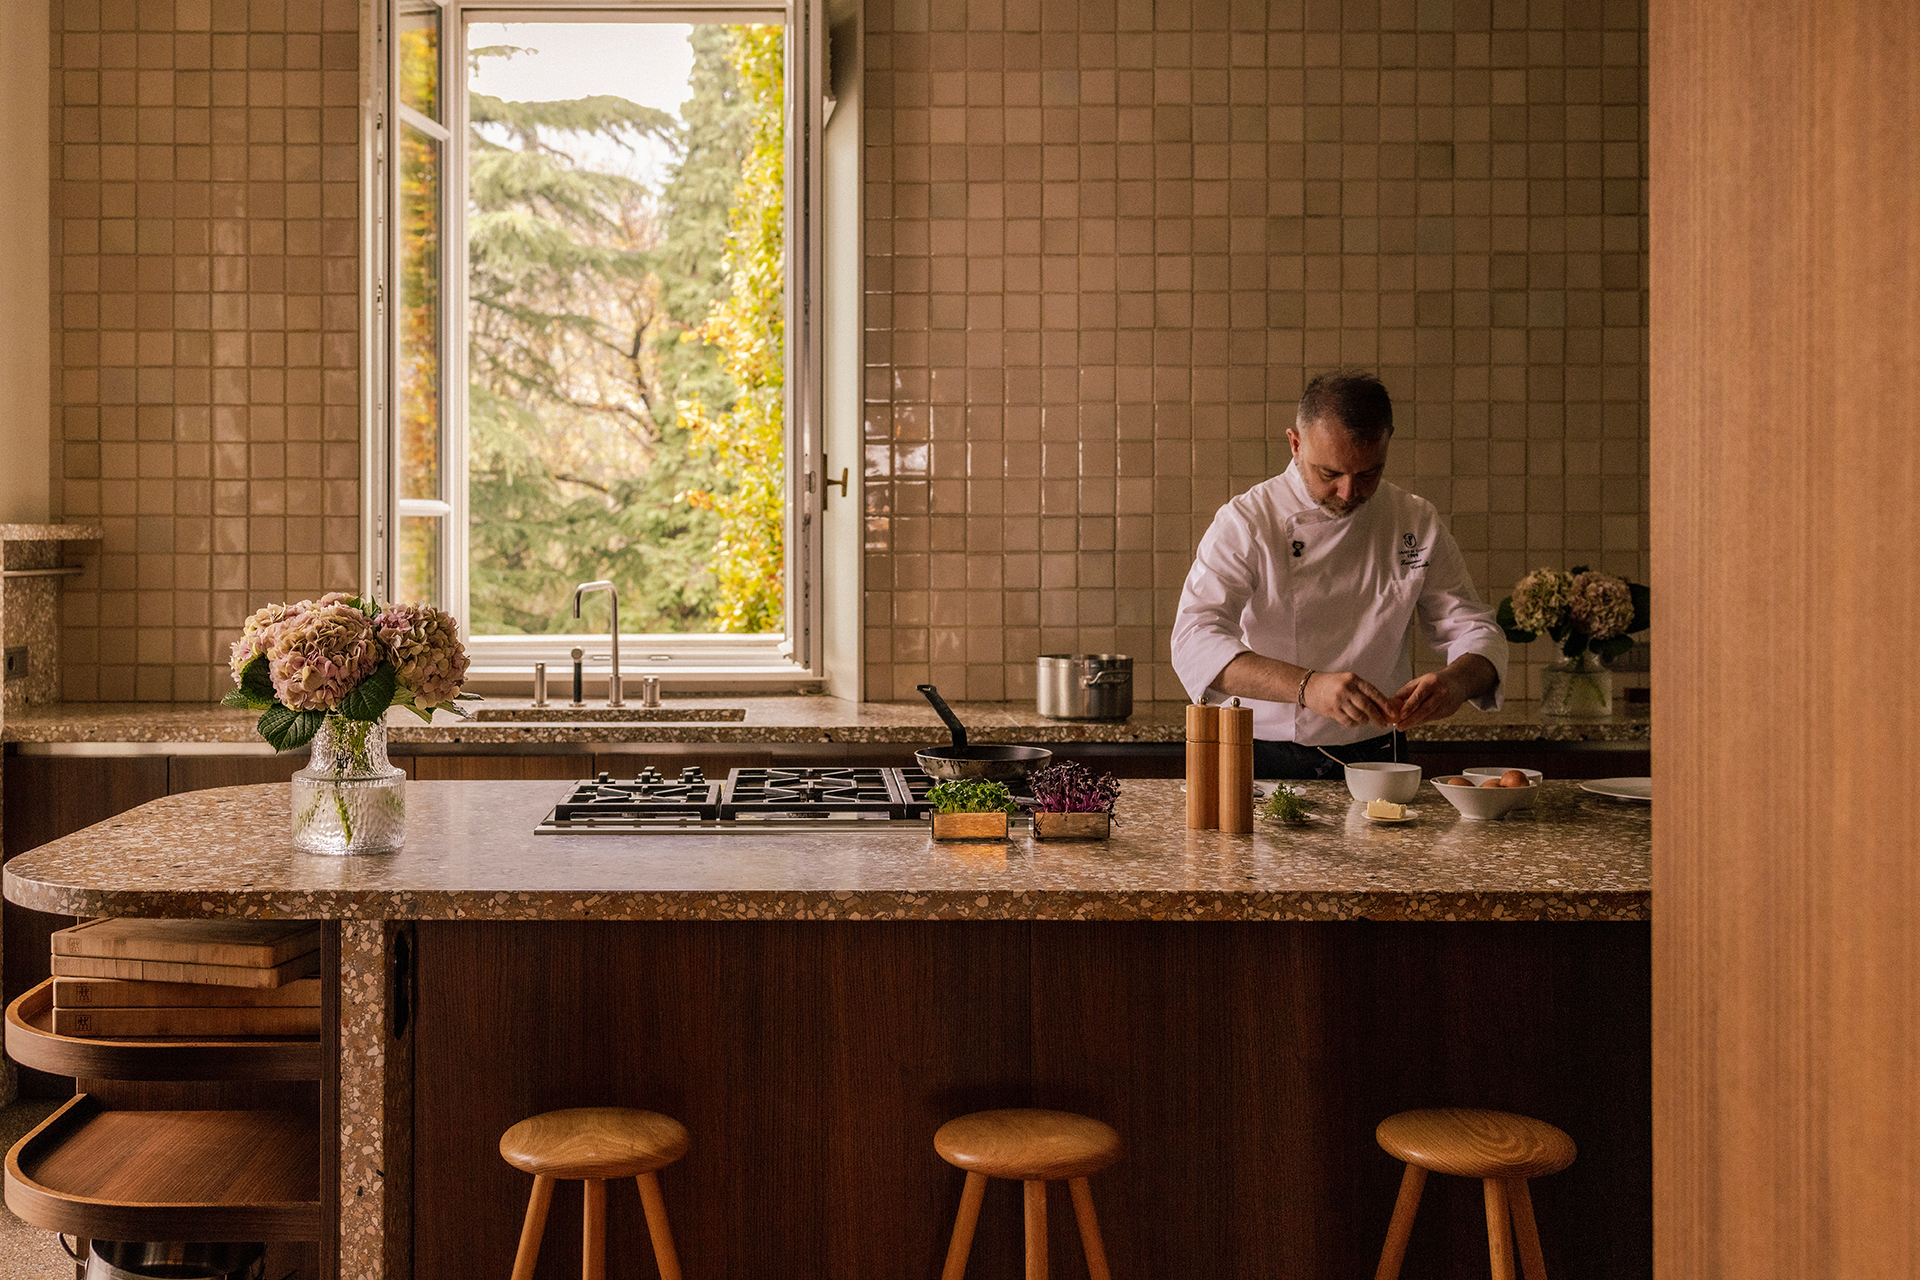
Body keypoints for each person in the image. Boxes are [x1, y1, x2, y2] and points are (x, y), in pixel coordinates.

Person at [1171, 371, 1507, 779]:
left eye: (1368, 474)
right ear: (1296, 444)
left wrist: (1455, 683)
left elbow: (1475, 628)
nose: (1349, 493)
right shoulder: (1248, 521)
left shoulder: (1414, 520)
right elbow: (1195, 640)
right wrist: (1308, 686)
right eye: (1330, 474)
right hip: (1261, 753)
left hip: (1378, 753)